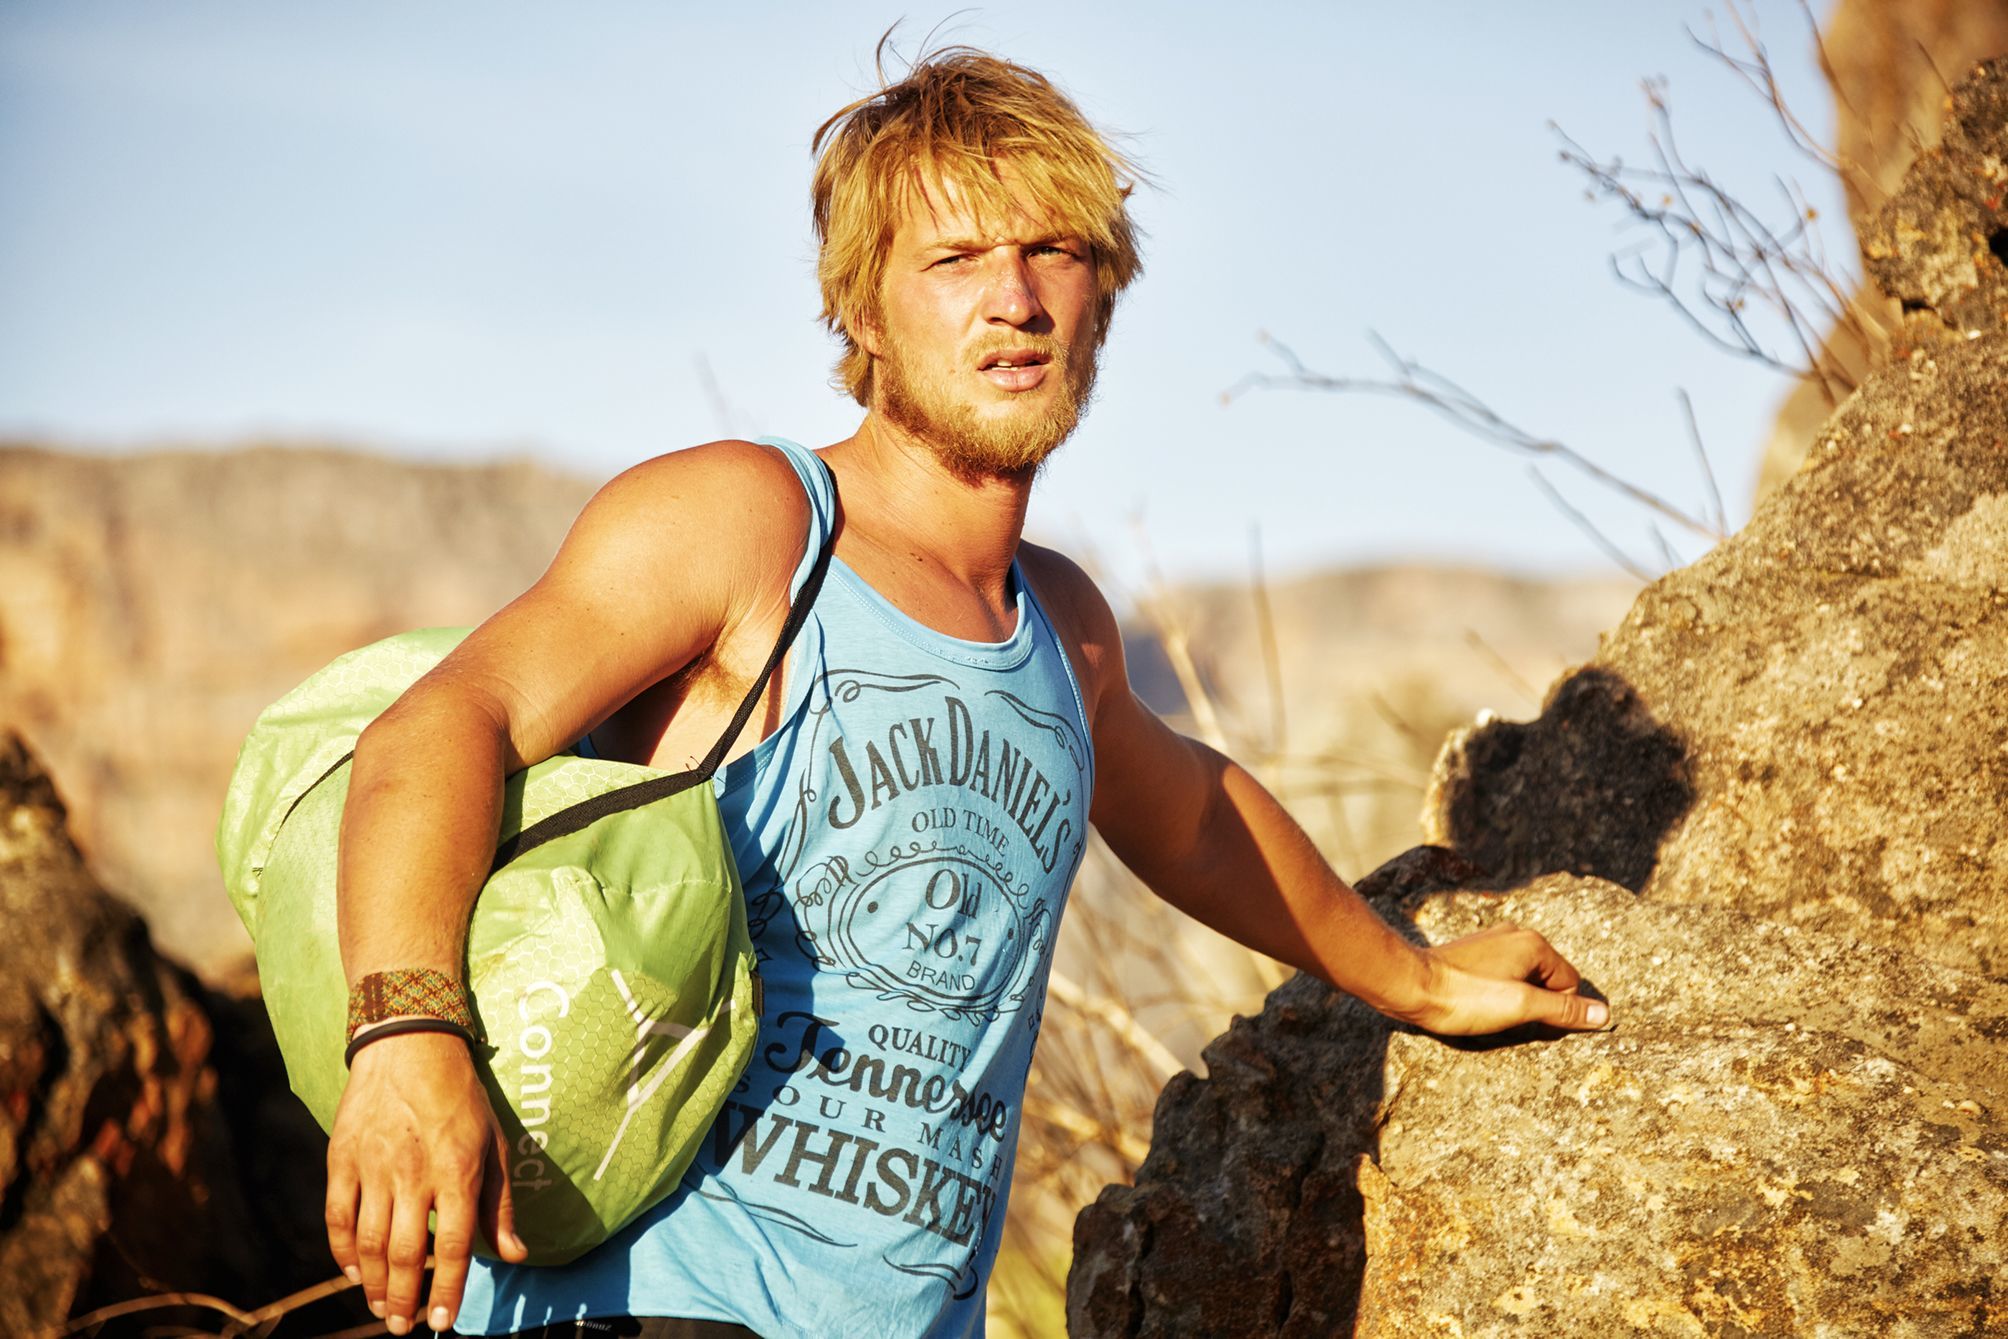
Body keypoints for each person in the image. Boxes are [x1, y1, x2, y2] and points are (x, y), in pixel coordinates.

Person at [323, 41, 1610, 1339]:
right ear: (864, 312)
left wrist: (1421, 981)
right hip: (651, 1304)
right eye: (954, 260)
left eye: (1055, 251)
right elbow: (443, 726)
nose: (1015, 299)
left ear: (1105, 293)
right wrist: (404, 1041)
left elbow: (1201, 820)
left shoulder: (1064, 627)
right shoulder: (752, 525)